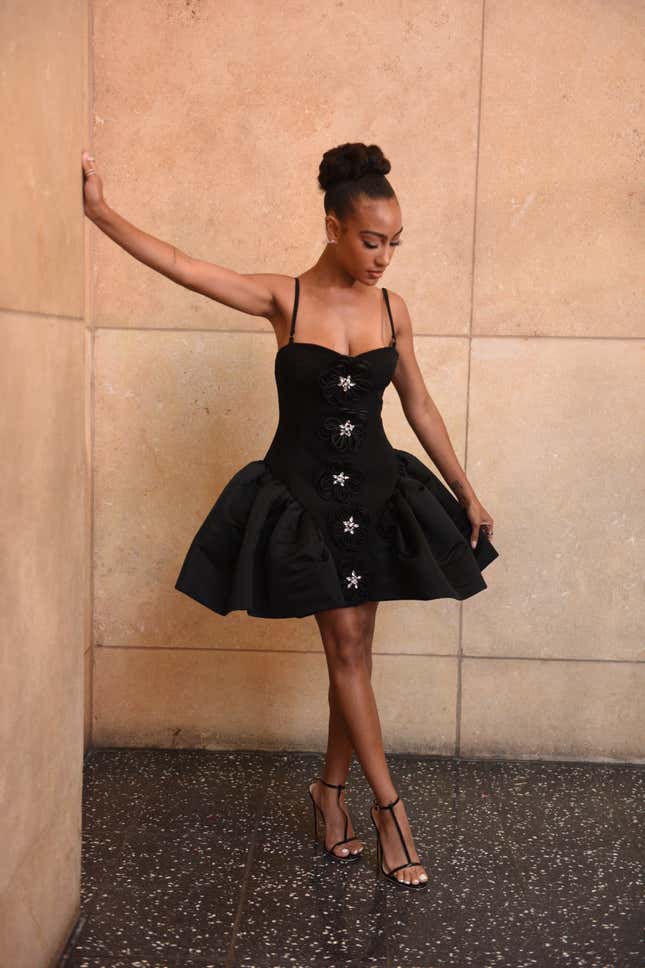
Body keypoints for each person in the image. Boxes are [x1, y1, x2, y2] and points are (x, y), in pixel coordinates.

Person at [82, 141, 498, 890]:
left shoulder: (392, 309)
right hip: (303, 501)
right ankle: (389, 813)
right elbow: (183, 265)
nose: (383, 258)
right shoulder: (286, 299)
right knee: (346, 650)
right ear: (333, 226)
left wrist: (464, 488)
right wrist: (101, 212)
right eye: (371, 241)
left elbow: (419, 405)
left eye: (394, 244)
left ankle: (327, 795)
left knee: (353, 659)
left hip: (375, 498)